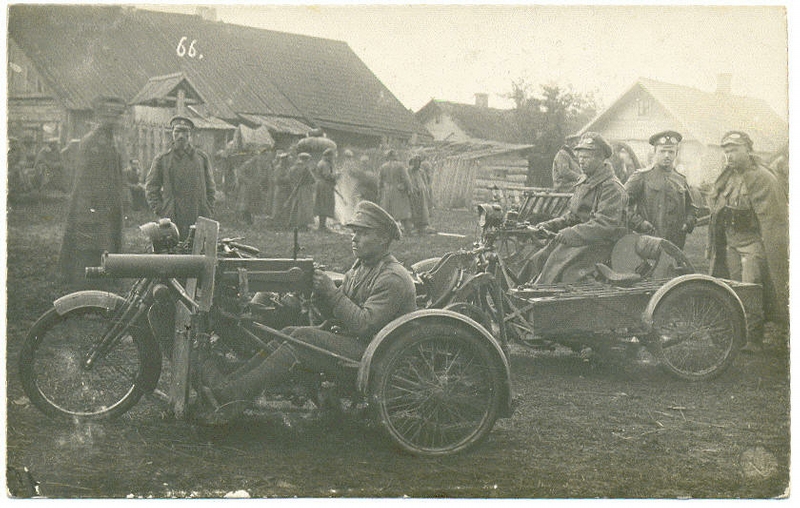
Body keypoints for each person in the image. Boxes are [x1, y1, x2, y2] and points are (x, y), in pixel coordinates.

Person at [195, 200, 416, 424]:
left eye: (363, 233)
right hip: (356, 343)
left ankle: (231, 396)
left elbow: (364, 324)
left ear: (383, 238)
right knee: (290, 332)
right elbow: (341, 313)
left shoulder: (392, 278)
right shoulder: (362, 266)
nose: (354, 238)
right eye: (354, 232)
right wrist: (318, 295)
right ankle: (229, 386)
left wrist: (332, 293)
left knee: (301, 339)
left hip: (374, 354)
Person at [707, 131, 789, 352]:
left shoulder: (763, 177)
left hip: (752, 245)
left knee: (751, 289)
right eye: (726, 151)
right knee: (735, 290)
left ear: (748, 150)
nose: (729, 156)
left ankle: (754, 339)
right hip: (732, 244)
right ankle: (739, 335)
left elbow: (774, 221)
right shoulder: (728, 176)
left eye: (734, 150)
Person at [522, 132, 628, 284]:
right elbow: (573, 216)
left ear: (601, 159)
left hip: (602, 245)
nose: (581, 161)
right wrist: (551, 225)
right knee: (537, 260)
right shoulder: (585, 181)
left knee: (560, 269)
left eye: (587, 157)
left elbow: (604, 225)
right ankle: (516, 299)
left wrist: (570, 233)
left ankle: (539, 300)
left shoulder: (611, 187)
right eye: (580, 157)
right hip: (580, 240)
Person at [57, 96, 127, 285]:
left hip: (109, 204)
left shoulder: (113, 142)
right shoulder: (91, 142)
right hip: (92, 204)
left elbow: (117, 175)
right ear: (100, 117)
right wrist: (92, 208)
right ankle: (85, 283)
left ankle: (104, 279)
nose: (114, 120)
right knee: (90, 245)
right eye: (109, 116)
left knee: (107, 243)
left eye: (117, 116)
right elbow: (84, 180)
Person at [145, 116, 216, 240]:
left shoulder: (201, 158)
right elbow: (151, 188)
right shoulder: (162, 159)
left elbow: (211, 187)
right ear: (172, 134)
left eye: (185, 132)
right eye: (177, 132)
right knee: (173, 252)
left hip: (198, 213)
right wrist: (161, 209)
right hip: (173, 216)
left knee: (197, 249)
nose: (181, 136)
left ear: (190, 135)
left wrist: (208, 208)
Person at [625, 131, 696, 249]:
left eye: (671, 151)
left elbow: (691, 207)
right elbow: (620, 204)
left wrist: (687, 224)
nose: (667, 155)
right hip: (649, 242)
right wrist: (639, 223)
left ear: (676, 154)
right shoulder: (641, 176)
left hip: (676, 243)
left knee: (673, 267)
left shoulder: (680, 179)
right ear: (655, 152)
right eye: (662, 151)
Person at [378, 149, 413, 234]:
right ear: (394, 156)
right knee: (403, 212)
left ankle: (388, 231)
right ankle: (407, 230)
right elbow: (406, 179)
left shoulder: (383, 167)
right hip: (398, 191)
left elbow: (380, 181)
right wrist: (410, 189)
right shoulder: (400, 166)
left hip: (387, 192)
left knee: (388, 212)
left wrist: (379, 193)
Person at [234, 148, 271, 225]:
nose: (266, 157)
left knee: (255, 203)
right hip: (248, 186)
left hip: (256, 186)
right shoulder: (252, 162)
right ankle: (243, 219)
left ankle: (252, 220)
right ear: (261, 155)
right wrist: (247, 181)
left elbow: (266, 176)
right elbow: (240, 172)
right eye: (265, 155)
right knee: (245, 203)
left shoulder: (266, 164)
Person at [286, 152, 315, 230]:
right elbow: (312, 179)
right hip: (305, 189)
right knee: (304, 206)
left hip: (295, 188)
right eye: (308, 160)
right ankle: (303, 224)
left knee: (295, 205)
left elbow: (289, 178)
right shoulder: (305, 168)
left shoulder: (292, 168)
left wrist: (294, 184)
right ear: (306, 160)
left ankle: (293, 222)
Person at [313, 147, 338, 232]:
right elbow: (327, 175)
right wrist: (336, 175)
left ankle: (322, 225)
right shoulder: (325, 164)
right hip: (324, 186)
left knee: (322, 204)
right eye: (332, 156)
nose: (333, 158)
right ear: (328, 156)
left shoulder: (322, 162)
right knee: (324, 204)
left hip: (322, 185)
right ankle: (322, 226)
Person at [408, 154, 433, 235]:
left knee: (423, 208)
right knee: (414, 208)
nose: (416, 164)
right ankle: (415, 225)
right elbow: (409, 182)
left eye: (418, 162)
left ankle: (423, 225)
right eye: (415, 162)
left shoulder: (421, 172)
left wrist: (426, 191)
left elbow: (425, 182)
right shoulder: (409, 172)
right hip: (414, 192)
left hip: (422, 192)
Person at [271, 152, 292, 227]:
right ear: (282, 160)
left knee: (285, 206)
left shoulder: (287, 168)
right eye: (285, 160)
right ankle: (276, 223)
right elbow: (277, 179)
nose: (286, 161)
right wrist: (287, 178)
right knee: (278, 205)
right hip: (280, 189)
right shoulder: (278, 168)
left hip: (286, 189)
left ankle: (284, 223)